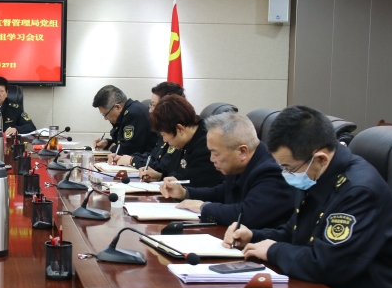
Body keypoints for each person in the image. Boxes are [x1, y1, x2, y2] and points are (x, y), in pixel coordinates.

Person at [223, 105, 392, 288]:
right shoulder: (315, 174)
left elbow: (327, 265)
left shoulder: (357, 191)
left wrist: (274, 250)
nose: (286, 174)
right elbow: (295, 233)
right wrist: (255, 236)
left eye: (288, 168)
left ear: (320, 158)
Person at [160, 112, 295, 228]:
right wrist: (184, 193)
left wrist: (204, 207)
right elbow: (220, 192)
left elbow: (247, 215)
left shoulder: (273, 171)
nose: (211, 159)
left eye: (216, 153)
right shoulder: (239, 165)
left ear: (242, 151)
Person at [138, 95, 224, 187]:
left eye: (163, 134)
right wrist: (159, 176)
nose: (164, 140)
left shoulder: (207, 143)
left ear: (180, 129)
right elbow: (174, 170)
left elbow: (193, 181)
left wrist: (164, 179)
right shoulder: (185, 140)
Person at [109, 81, 185, 168]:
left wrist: (132, 160)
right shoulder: (165, 127)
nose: (150, 110)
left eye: (154, 105)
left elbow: (163, 167)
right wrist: (128, 157)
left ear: (169, 107)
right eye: (151, 105)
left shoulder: (178, 130)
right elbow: (154, 156)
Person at [92, 85, 157, 156]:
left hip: (147, 160)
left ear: (118, 107)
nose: (105, 118)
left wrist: (112, 148)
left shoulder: (134, 114)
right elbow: (122, 142)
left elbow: (128, 150)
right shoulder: (126, 113)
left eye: (105, 114)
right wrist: (107, 143)